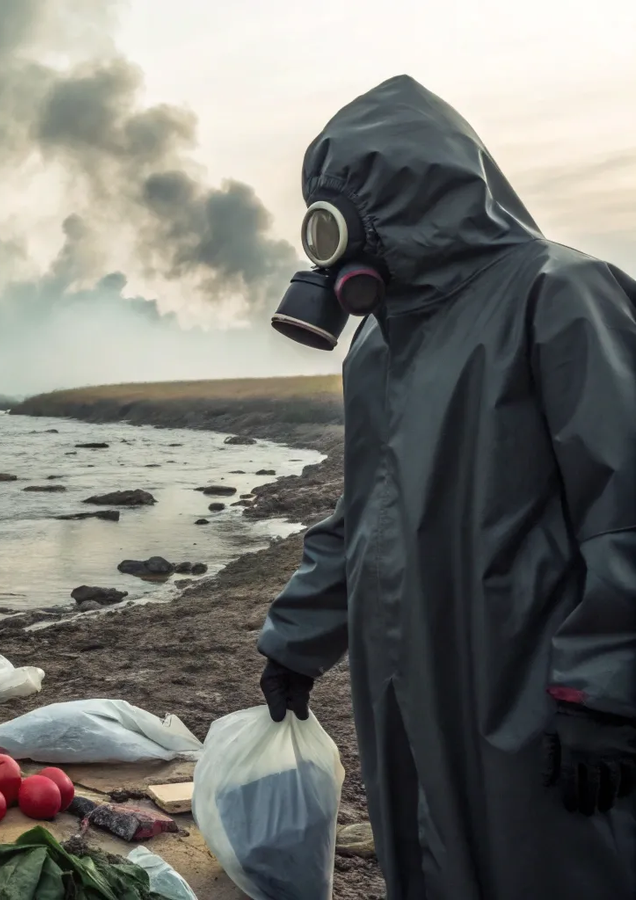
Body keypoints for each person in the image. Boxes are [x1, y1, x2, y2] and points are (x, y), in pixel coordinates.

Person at [256, 75, 636, 899]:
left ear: (412, 201)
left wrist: (603, 689)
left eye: (341, 221)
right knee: (428, 864)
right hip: (408, 681)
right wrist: (295, 639)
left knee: (550, 867)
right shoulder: (377, 346)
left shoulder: (559, 294)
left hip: (531, 679)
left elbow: (626, 507)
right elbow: (365, 512)